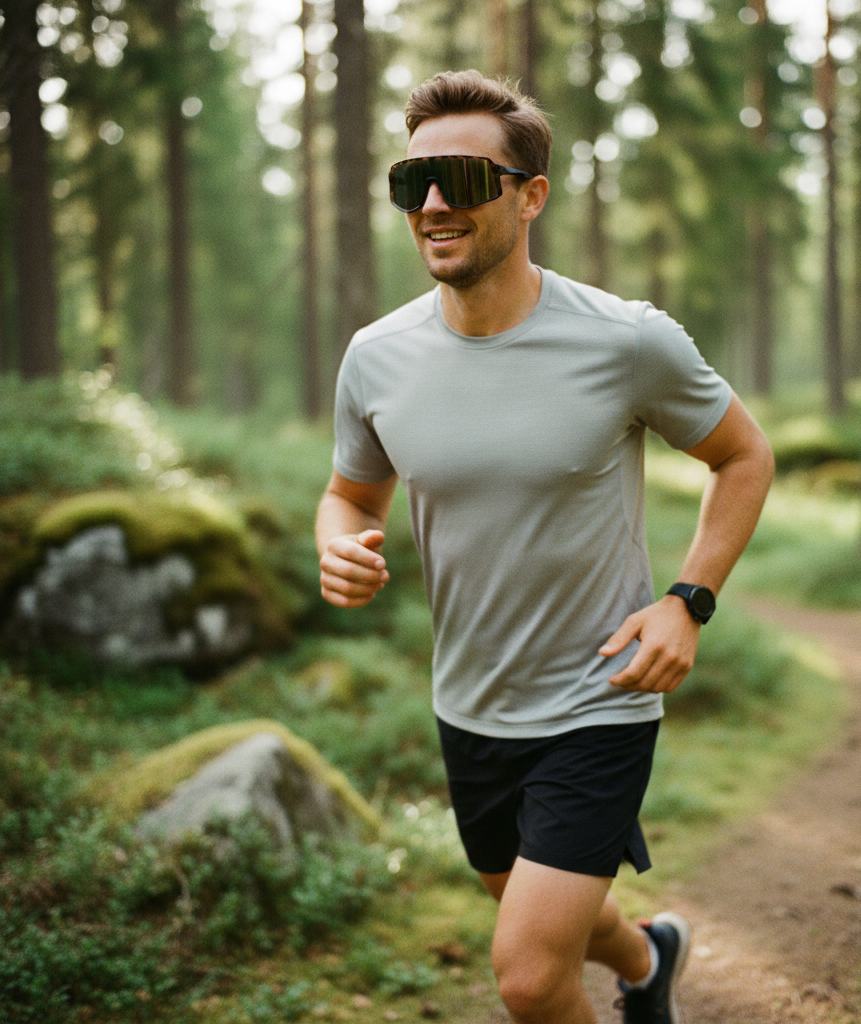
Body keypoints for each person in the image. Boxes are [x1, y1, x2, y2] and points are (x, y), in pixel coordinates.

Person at [316, 70, 775, 1024]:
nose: (434, 205)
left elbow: (743, 456)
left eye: (463, 180)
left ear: (530, 197)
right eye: (413, 183)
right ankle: (649, 960)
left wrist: (686, 602)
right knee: (532, 903)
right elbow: (350, 493)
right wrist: (340, 544)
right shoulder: (376, 357)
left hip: (599, 699)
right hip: (471, 702)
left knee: (529, 977)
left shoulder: (625, 340)